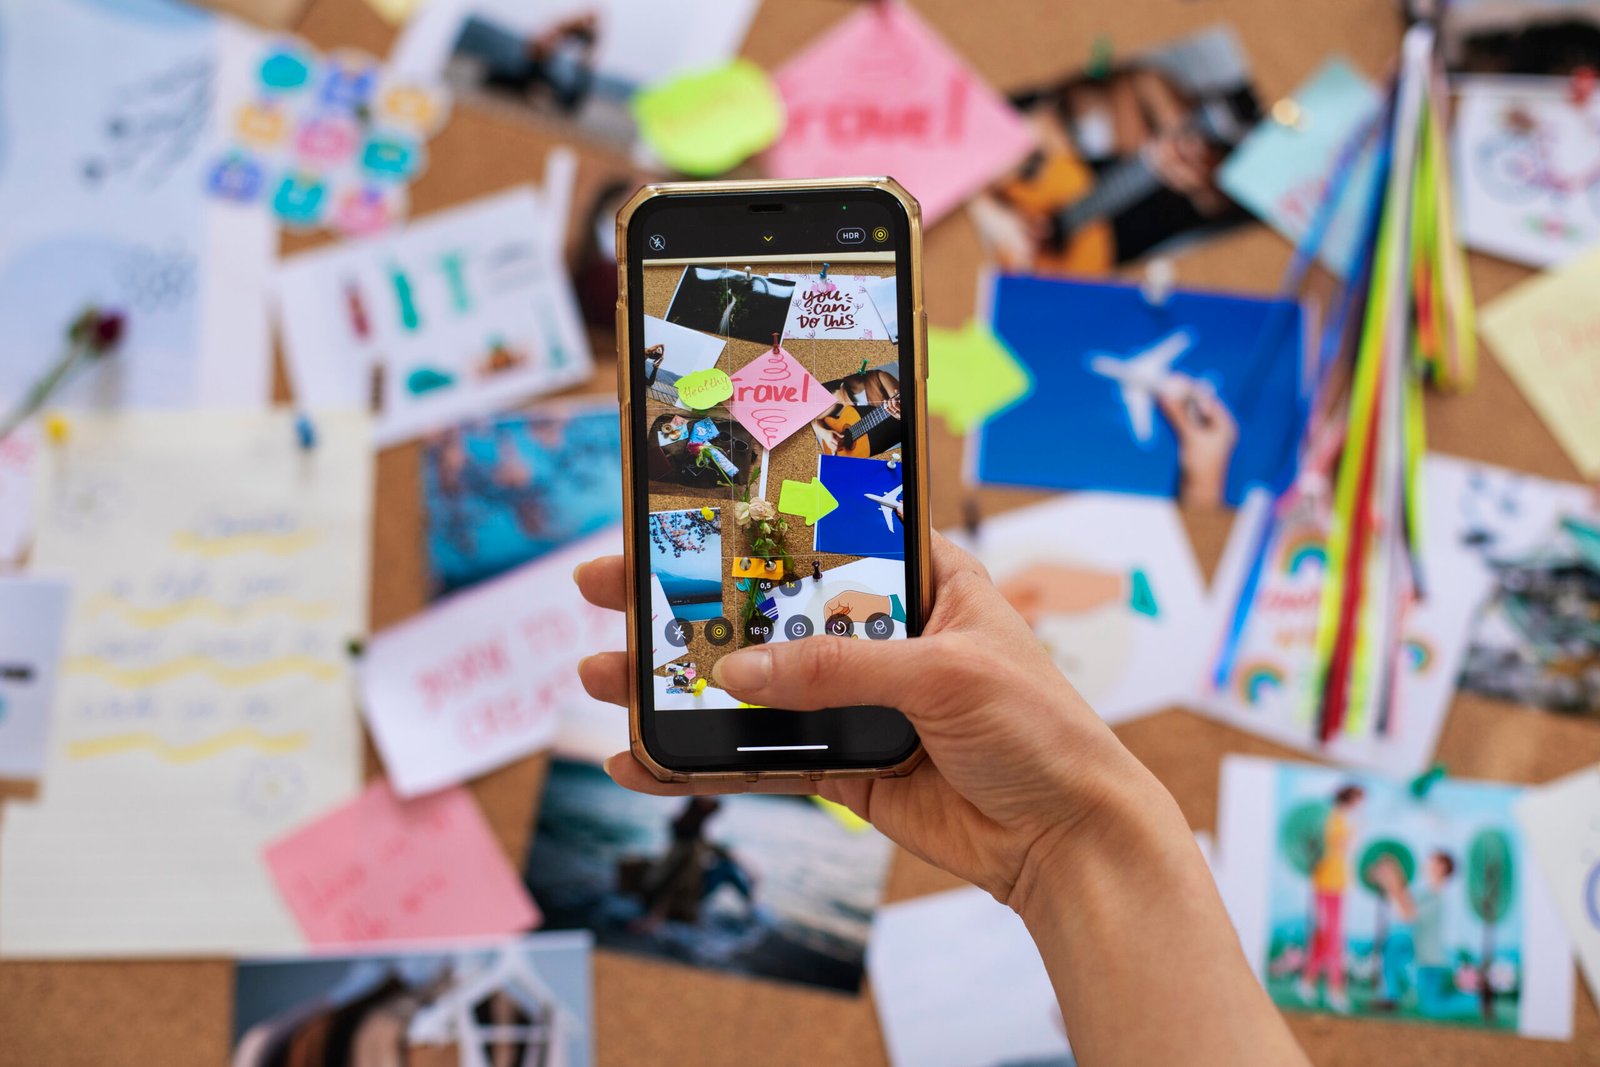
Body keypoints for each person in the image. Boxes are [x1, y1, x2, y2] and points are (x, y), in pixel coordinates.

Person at [573, 534, 1311, 1066]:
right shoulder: (696, 829)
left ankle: (659, 916)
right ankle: (665, 916)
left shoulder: (695, 826)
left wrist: (1064, 837)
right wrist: (1066, 837)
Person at [1370, 850, 1473, 1018]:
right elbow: (1403, 904)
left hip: (1430, 964)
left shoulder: (1437, 899)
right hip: (1416, 957)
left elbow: (1408, 914)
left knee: (1432, 1008)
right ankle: (1390, 996)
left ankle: (1476, 1001)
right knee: (1394, 943)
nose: (1426, 864)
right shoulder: (1424, 893)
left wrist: (1393, 879)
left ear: (1441, 867)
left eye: (1431, 861)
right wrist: (1390, 878)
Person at [1299, 784, 1364, 1012]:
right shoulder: (1333, 818)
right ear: (1351, 798)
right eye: (1359, 799)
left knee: (1327, 936)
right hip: (1326, 882)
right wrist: (1356, 830)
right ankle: (1335, 990)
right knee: (1333, 938)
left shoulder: (1340, 819)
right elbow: (1339, 847)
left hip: (1337, 883)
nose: (1362, 804)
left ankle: (1307, 982)